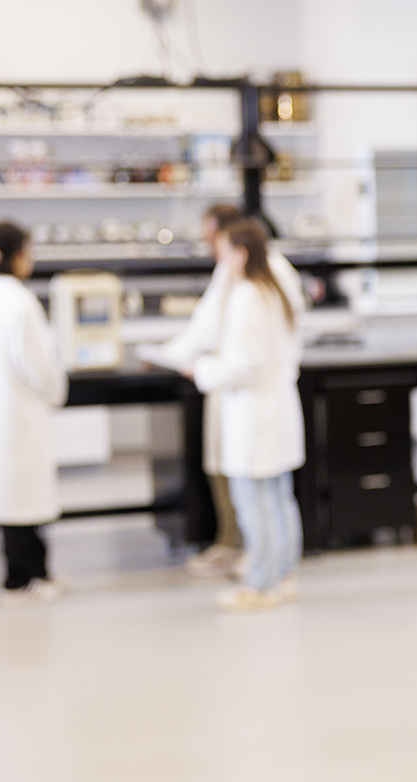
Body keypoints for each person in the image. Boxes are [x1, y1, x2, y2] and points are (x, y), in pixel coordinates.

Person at [159, 204, 304, 578]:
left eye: (219, 249)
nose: (216, 258)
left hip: (253, 407)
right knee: (276, 499)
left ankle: (261, 582)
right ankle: (279, 572)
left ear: (239, 249)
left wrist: (201, 368)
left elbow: (244, 363)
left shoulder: (248, 294)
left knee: (256, 503)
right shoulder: (269, 283)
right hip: (272, 404)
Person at [0, 221, 68, 604]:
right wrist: (56, 390)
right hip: (19, 409)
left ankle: (26, 572)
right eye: (29, 251)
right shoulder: (18, 299)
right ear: (16, 255)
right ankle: (24, 578)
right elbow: (36, 363)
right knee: (23, 496)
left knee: (7, 493)